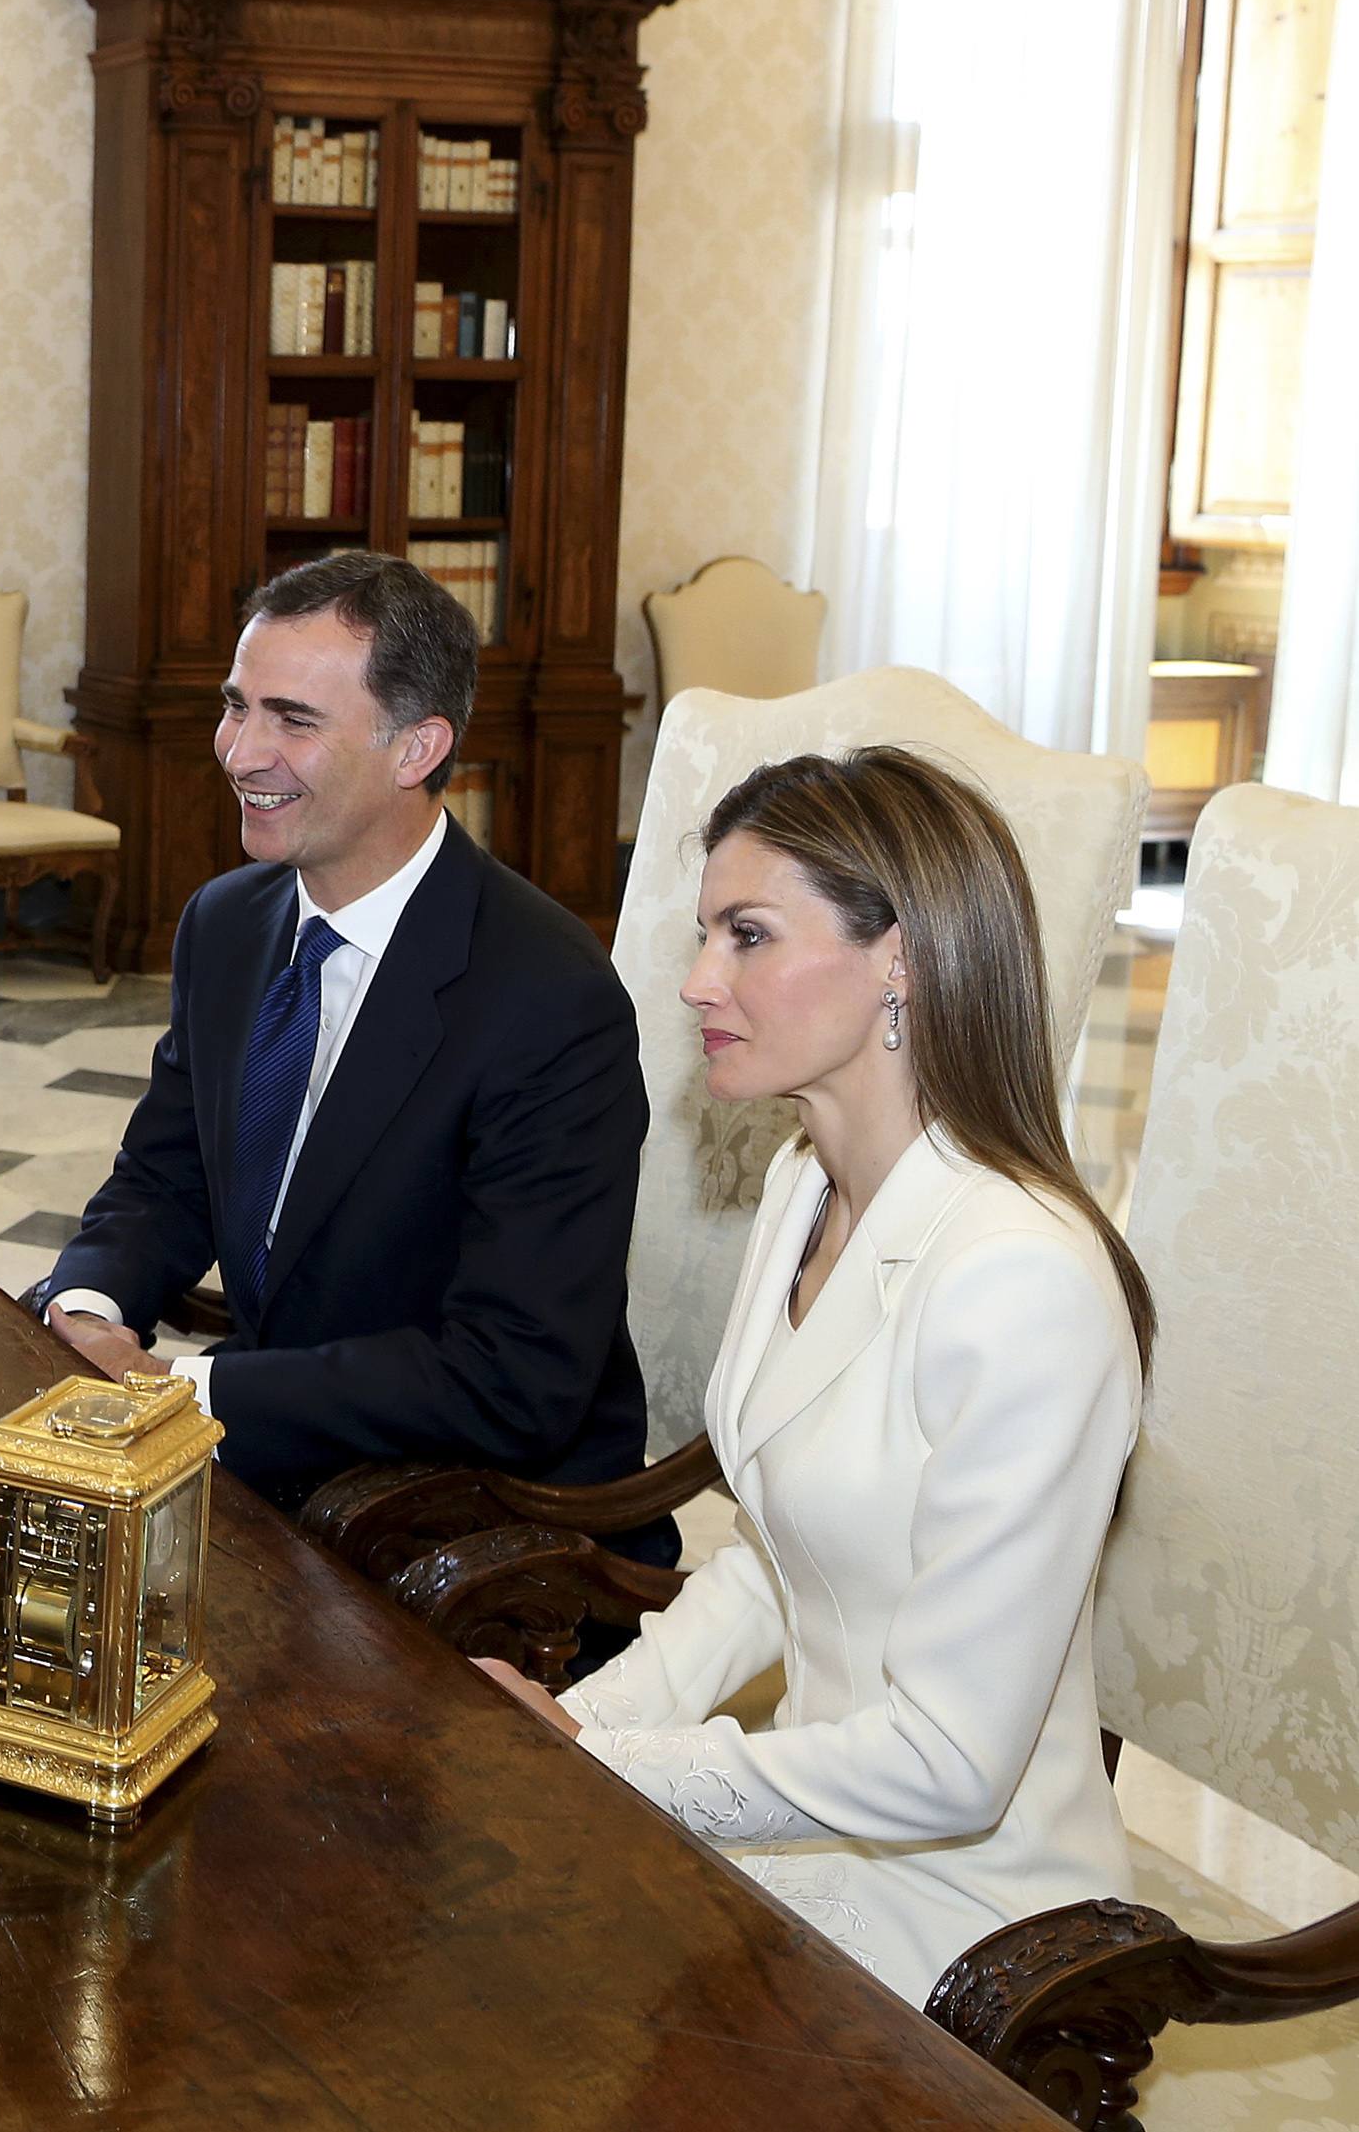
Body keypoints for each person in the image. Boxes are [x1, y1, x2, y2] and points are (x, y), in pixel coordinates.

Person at [475, 747, 1149, 2007]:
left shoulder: (1021, 1279)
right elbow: (773, 1566)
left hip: (967, 1918)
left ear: (898, 956)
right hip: (800, 1825)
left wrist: (618, 1767)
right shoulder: (799, 1187)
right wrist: (579, 1727)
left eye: (745, 937)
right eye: (702, 937)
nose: (693, 984)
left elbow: (951, 1764)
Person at [30, 549, 660, 1533]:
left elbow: (514, 1374)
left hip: (469, 1515)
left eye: (292, 720)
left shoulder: (547, 997)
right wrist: (89, 1306)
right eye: (237, 706)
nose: (239, 753)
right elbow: (166, 1179)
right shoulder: (226, 924)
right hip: (278, 1463)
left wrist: (185, 1390)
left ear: (414, 751)